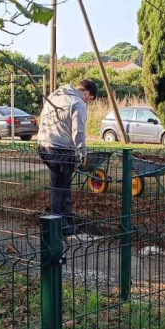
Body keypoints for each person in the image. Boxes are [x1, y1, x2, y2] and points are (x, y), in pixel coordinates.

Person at [37, 79, 97, 236]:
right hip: (60, 150)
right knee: (61, 189)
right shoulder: (77, 102)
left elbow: (42, 117)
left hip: (44, 146)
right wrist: (82, 152)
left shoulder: (56, 94)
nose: (88, 103)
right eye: (89, 99)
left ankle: (65, 219)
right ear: (87, 92)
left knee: (60, 185)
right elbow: (79, 131)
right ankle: (60, 226)